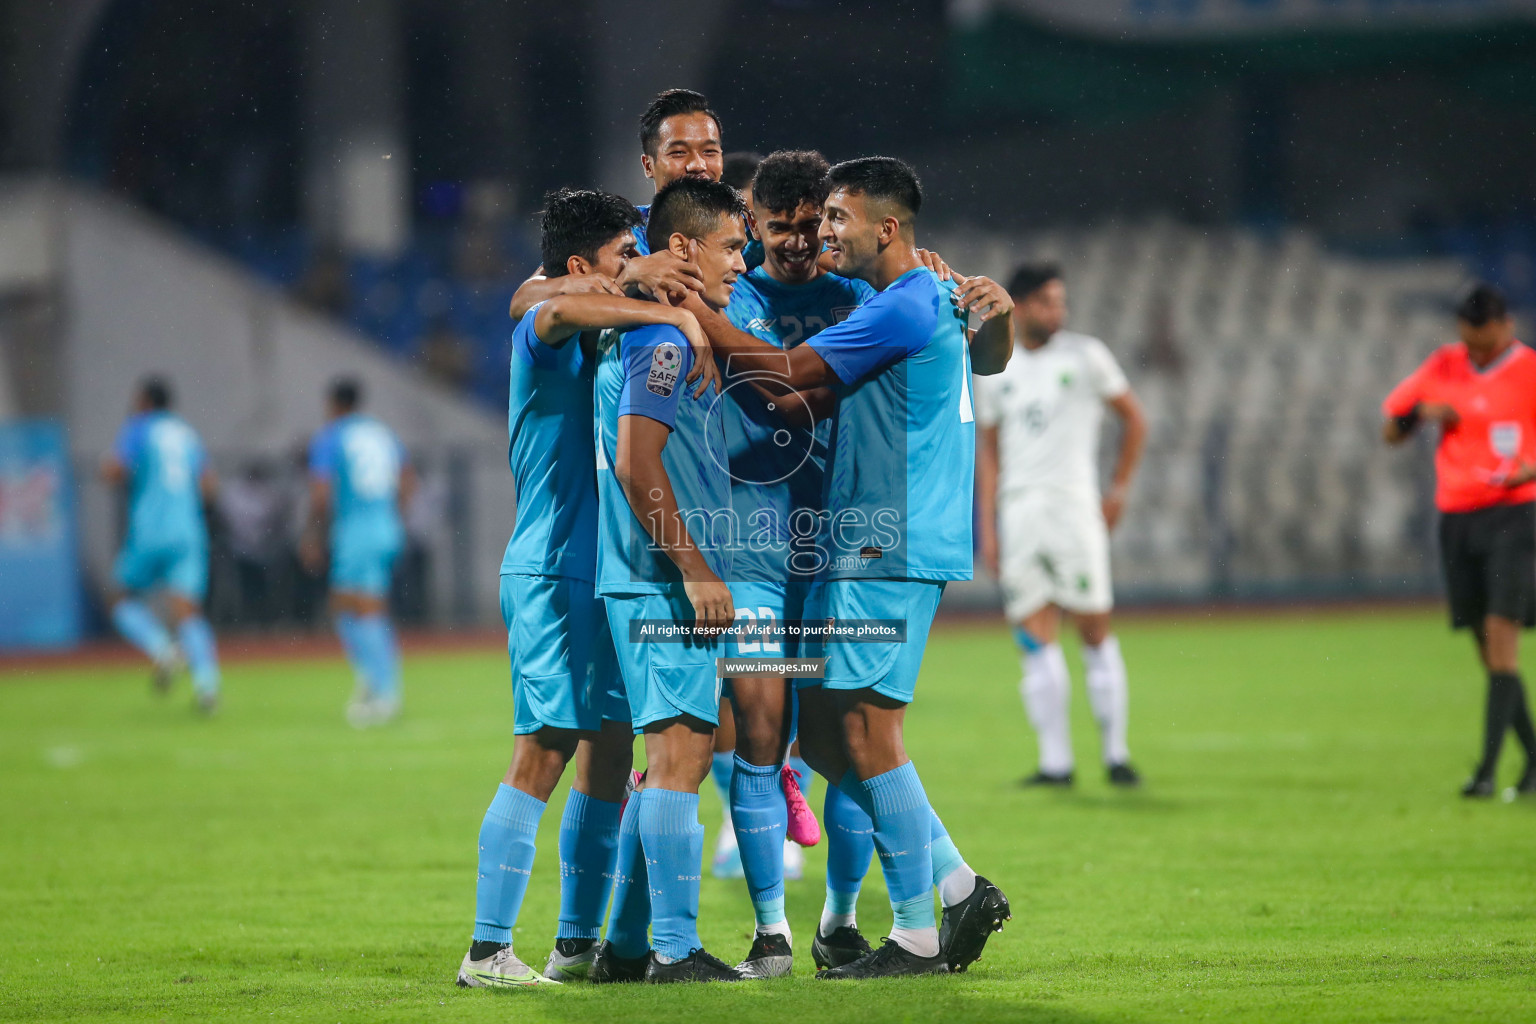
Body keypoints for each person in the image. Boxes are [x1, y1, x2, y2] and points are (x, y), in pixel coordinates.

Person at [699, 156, 1013, 978]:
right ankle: (949, 887)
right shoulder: (918, 295)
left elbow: (791, 377)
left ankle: (922, 924)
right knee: (835, 739)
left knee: (869, 732)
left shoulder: (905, 300)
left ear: (887, 228)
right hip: (882, 540)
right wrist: (998, 316)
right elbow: (988, 359)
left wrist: (704, 315)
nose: (822, 233)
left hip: (887, 542)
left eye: (837, 218)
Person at [457, 188, 718, 989]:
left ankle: (575, 942)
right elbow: (548, 304)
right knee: (542, 750)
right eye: (618, 260)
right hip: (547, 566)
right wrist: (674, 316)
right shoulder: (547, 327)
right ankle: (486, 950)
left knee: (607, 754)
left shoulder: (595, 330)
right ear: (581, 267)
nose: (631, 276)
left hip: (597, 572)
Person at [682, 149, 880, 975]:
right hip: (755, 542)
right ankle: (772, 932)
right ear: (751, 222)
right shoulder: (736, 291)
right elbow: (779, 395)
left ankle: (840, 921)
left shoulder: (862, 296)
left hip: (844, 549)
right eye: (778, 227)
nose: (796, 242)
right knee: (760, 729)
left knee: (859, 744)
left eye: (810, 226)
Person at [591, 177, 747, 983]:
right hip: (660, 579)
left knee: (668, 760)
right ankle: (675, 952)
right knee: (681, 758)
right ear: (681, 246)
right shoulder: (663, 340)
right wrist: (694, 570)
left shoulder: (656, 328)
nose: (740, 261)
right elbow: (634, 460)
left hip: (644, 573)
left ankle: (624, 947)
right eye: (729, 246)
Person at [973, 264, 1148, 788]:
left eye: (1061, 302)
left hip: (1074, 507)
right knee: (1033, 634)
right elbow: (991, 454)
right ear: (1021, 307)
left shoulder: (1086, 355)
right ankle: (1056, 763)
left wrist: (1116, 489)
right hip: (1021, 510)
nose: (1060, 312)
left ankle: (1116, 755)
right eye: (1049, 302)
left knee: (1094, 628)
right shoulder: (994, 369)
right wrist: (989, 526)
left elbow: (1134, 418)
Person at [1382, 282, 1536, 798]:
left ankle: (1487, 774)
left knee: (1500, 640)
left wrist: (1530, 470)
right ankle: (1533, 762)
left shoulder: (1530, 370)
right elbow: (1391, 427)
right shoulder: (1444, 365)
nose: (1476, 353)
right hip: (1458, 518)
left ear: (1506, 328)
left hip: (1516, 514)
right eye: (1470, 342)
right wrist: (1421, 413)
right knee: (1487, 651)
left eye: (1485, 345)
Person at [101, 376, 222, 713]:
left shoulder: (139, 428)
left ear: (144, 401)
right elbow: (210, 485)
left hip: (150, 529)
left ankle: (162, 650)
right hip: (187, 531)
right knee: (188, 612)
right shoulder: (186, 433)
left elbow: (113, 471)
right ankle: (207, 686)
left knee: (120, 598)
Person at [302, 379, 414, 727]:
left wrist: (313, 534)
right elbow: (408, 480)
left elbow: (321, 493)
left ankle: (385, 690)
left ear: (334, 404)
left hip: (357, 529)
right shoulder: (381, 433)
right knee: (347, 604)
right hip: (385, 524)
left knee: (365, 608)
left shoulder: (331, 435)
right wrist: (393, 516)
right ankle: (372, 680)